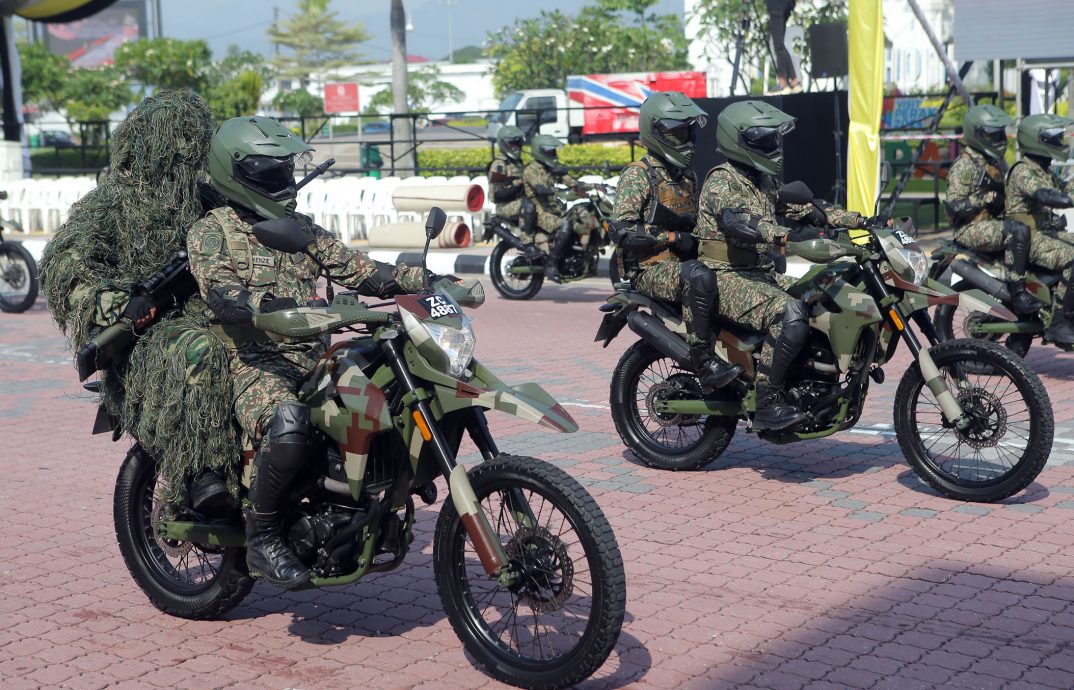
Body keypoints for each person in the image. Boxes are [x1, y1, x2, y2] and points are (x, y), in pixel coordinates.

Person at [187, 116, 457, 589]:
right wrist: (263, 307)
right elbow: (222, 294)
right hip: (251, 362)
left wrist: (428, 281)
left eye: (286, 169)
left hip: (312, 360)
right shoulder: (214, 230)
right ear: (238, 174)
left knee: (393, 393)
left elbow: (363, 271)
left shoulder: (300, 228)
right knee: (289, 420)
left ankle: (374, 490)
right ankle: (263, 536)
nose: (285, 181)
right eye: (272, 172)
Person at [39, 90, 235, 510]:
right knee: (201, 351)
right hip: (148, 334)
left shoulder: (207, 200)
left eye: (193, 140)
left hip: (212, 313)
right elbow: (65, 264)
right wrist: (115, 302)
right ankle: (203, 472)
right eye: (178, 139)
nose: (187, 150)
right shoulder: (110, 203)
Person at [612, 91, 742, 391]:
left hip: (682, 265)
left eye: (689, 131)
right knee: (699, 278)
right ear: (656, 132)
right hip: (649, 270)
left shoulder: (686, 177)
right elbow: (622, 230)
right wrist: (670, 237)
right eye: (678, 132)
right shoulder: (639, 174)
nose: (687, 138)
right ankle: (704, 361)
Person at [693, 100, 809, 432]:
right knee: (788, 312)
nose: (774, 147)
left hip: (758, 272)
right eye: (765, 141)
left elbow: (809, 211)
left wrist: (863, 222)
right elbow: (739, 220)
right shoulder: (722, 180)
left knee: (821, 295)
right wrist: (784, 237)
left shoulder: (763, 180)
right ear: (739, 141)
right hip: (725, 275)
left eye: (775, 140)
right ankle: (767, 401)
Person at [946, 105, 1046, 317]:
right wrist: (986, 198)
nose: (999, 139)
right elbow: (954, 206)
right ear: (977, 134)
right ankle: (1019, 294)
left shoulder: (992, 162)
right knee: (1017, 231)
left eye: (1001, 134)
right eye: (993, 134)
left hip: (992, 223)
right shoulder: (965, 166)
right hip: (970, 229)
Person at [1006, 112, 1074, 343]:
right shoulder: (1023, 170)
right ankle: (1059, 319)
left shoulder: (1043, 169)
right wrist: (1069, 199)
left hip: (1047, 233)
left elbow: (1064, 187)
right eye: (1053, 139)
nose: (1059, 143)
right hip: (1030, 237)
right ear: (1037, 140)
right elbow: (1045, 195)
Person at [522, 134, 583, 283]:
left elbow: (571, 182)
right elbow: (541, 189)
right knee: (565, 224)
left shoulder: (551, 167)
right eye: (550, 151)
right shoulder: (532, 169)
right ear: (540, 151)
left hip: (554, 209)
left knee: (580, 216)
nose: (554, 154)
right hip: (539, 211)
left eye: (554, 151)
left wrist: (593, 187)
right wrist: (558, 191)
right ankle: (551, 263)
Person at [487, 126, 537, 254]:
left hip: (520, 201)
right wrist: (518, 183)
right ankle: (527, 242)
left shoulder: (518, 162)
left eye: (517, 143)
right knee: (529, 206)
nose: (515, 147)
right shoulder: (499, 165)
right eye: (511, 143)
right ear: (504, 144)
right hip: (505, 206)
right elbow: (497, 195)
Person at [766, 0, 801, 94]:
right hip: (785, 5)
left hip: (777, 5)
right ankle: (793, 82)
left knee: (778, 46)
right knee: (780, 45)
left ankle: (784, 83)